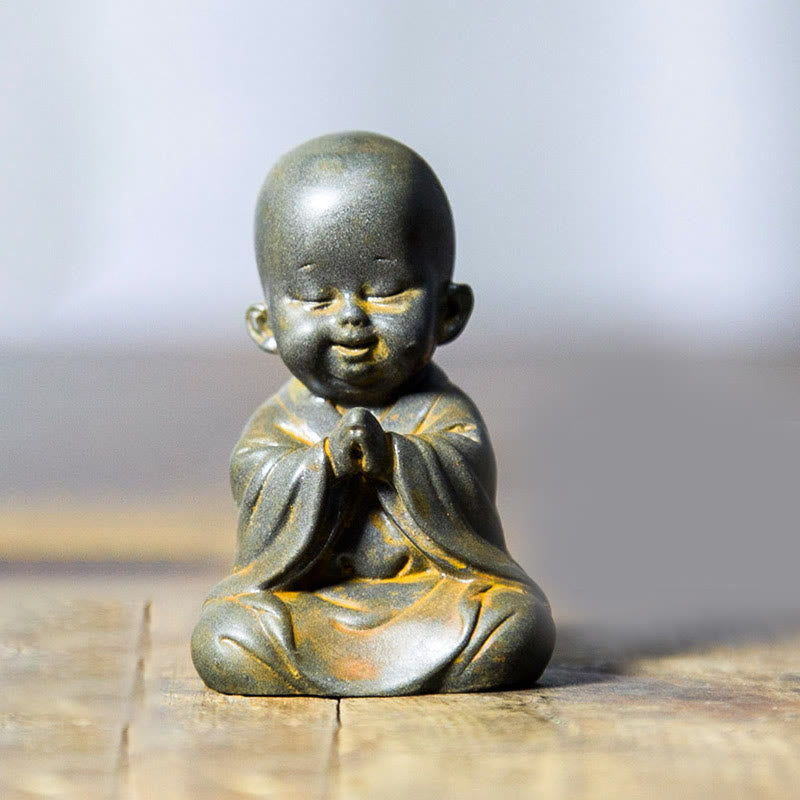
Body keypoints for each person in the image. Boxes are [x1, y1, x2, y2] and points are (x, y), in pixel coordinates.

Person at [191, 132, 555, 695]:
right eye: (315, 297)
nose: (350, 318)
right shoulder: (279, 421)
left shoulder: (443, 414)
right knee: (227, 634)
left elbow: (466, 495)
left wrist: (396, 458)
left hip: (428, 602)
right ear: (265, 325)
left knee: (514, 624)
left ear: (449, 312)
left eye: (385, 291)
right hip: (310, 604)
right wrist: (324, 464)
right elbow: (258, 486)